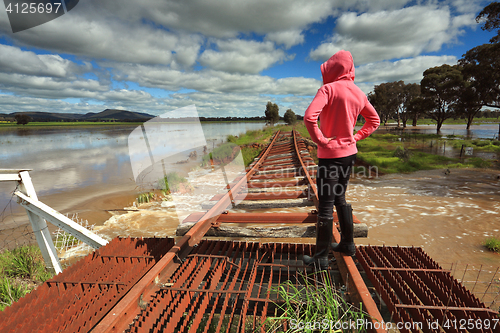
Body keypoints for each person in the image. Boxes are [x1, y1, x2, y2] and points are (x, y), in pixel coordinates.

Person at [302, 50, 380, 269]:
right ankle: (347, 244)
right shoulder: (358, 93)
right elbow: (374, 120)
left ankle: (320, 259)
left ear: (333, 68)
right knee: (340, 198)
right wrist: (356, 137)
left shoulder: (327, 89)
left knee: (326, 207)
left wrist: (321, 140)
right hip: (349, 154)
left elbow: (309, 117)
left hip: (330, 156)